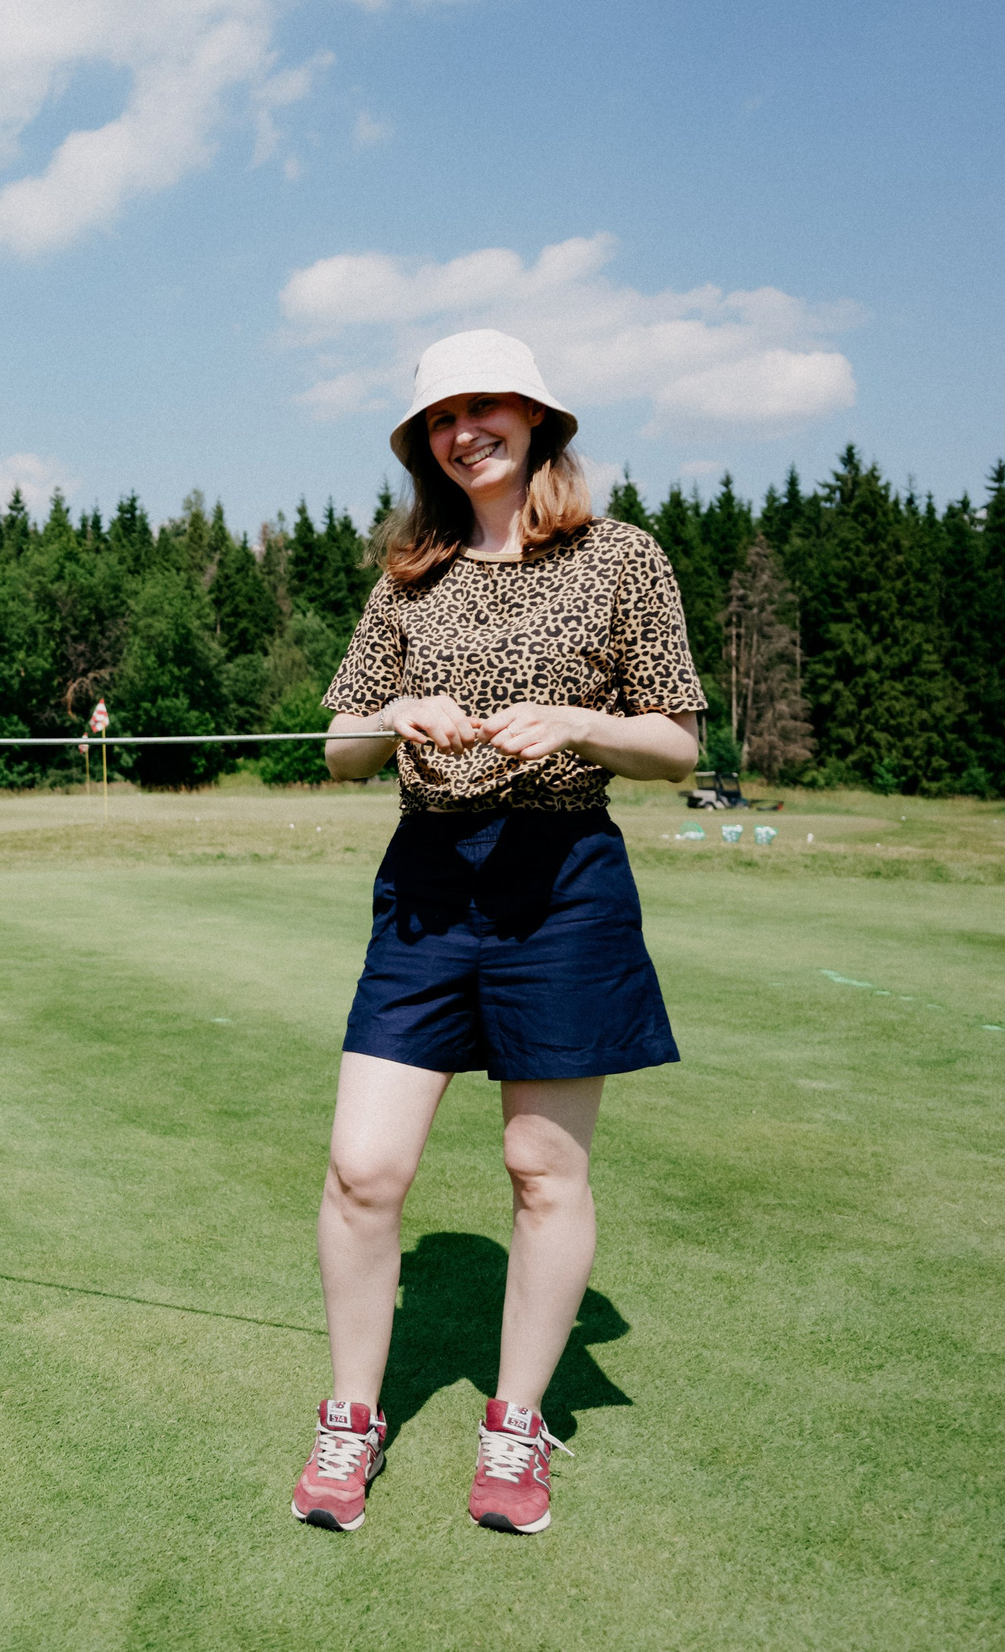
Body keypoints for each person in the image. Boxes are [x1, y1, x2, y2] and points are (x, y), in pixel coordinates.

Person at [289, 330, 703, 1538]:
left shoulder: (621, 557)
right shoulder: (407, 575)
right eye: (440, 417)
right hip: (427, 883)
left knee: (541, 1170)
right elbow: (340, 749)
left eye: (485, 407)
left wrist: (579, 723)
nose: (463, 431)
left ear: (536, 420)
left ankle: (515, 1424)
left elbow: (677, 744)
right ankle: (351, 1418)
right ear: (423, 443)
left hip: (560, 879)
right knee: (363, 1170)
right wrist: (394, 713)